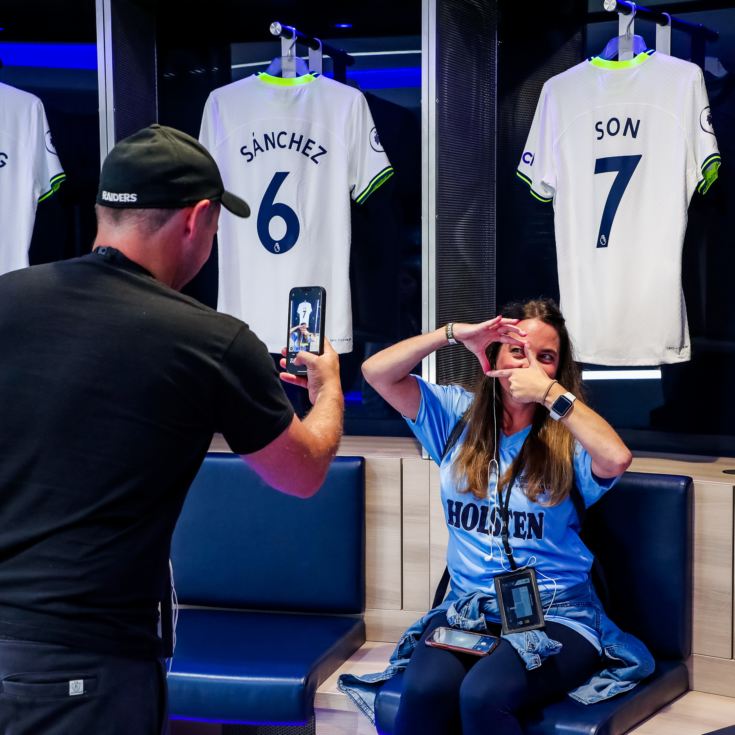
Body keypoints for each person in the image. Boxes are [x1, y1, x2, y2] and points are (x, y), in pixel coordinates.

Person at [0, 125, 343, 735]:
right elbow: (305, 470)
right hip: (86, 663)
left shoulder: (7, 298)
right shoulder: (210, 341)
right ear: (199, 218)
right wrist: (329, 391)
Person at [355, 297, 653, 735]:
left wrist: (549, 394)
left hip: (556, 615)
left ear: (557, 371)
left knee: (483, 696)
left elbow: (616, 457)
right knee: (424, 693)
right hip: (467, 609)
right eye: (517, 348)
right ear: (493, 356)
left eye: (545, 357)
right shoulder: (456, 417)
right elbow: (375, 373)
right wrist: (454, 334)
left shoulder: (566, 440)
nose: (529, 364)